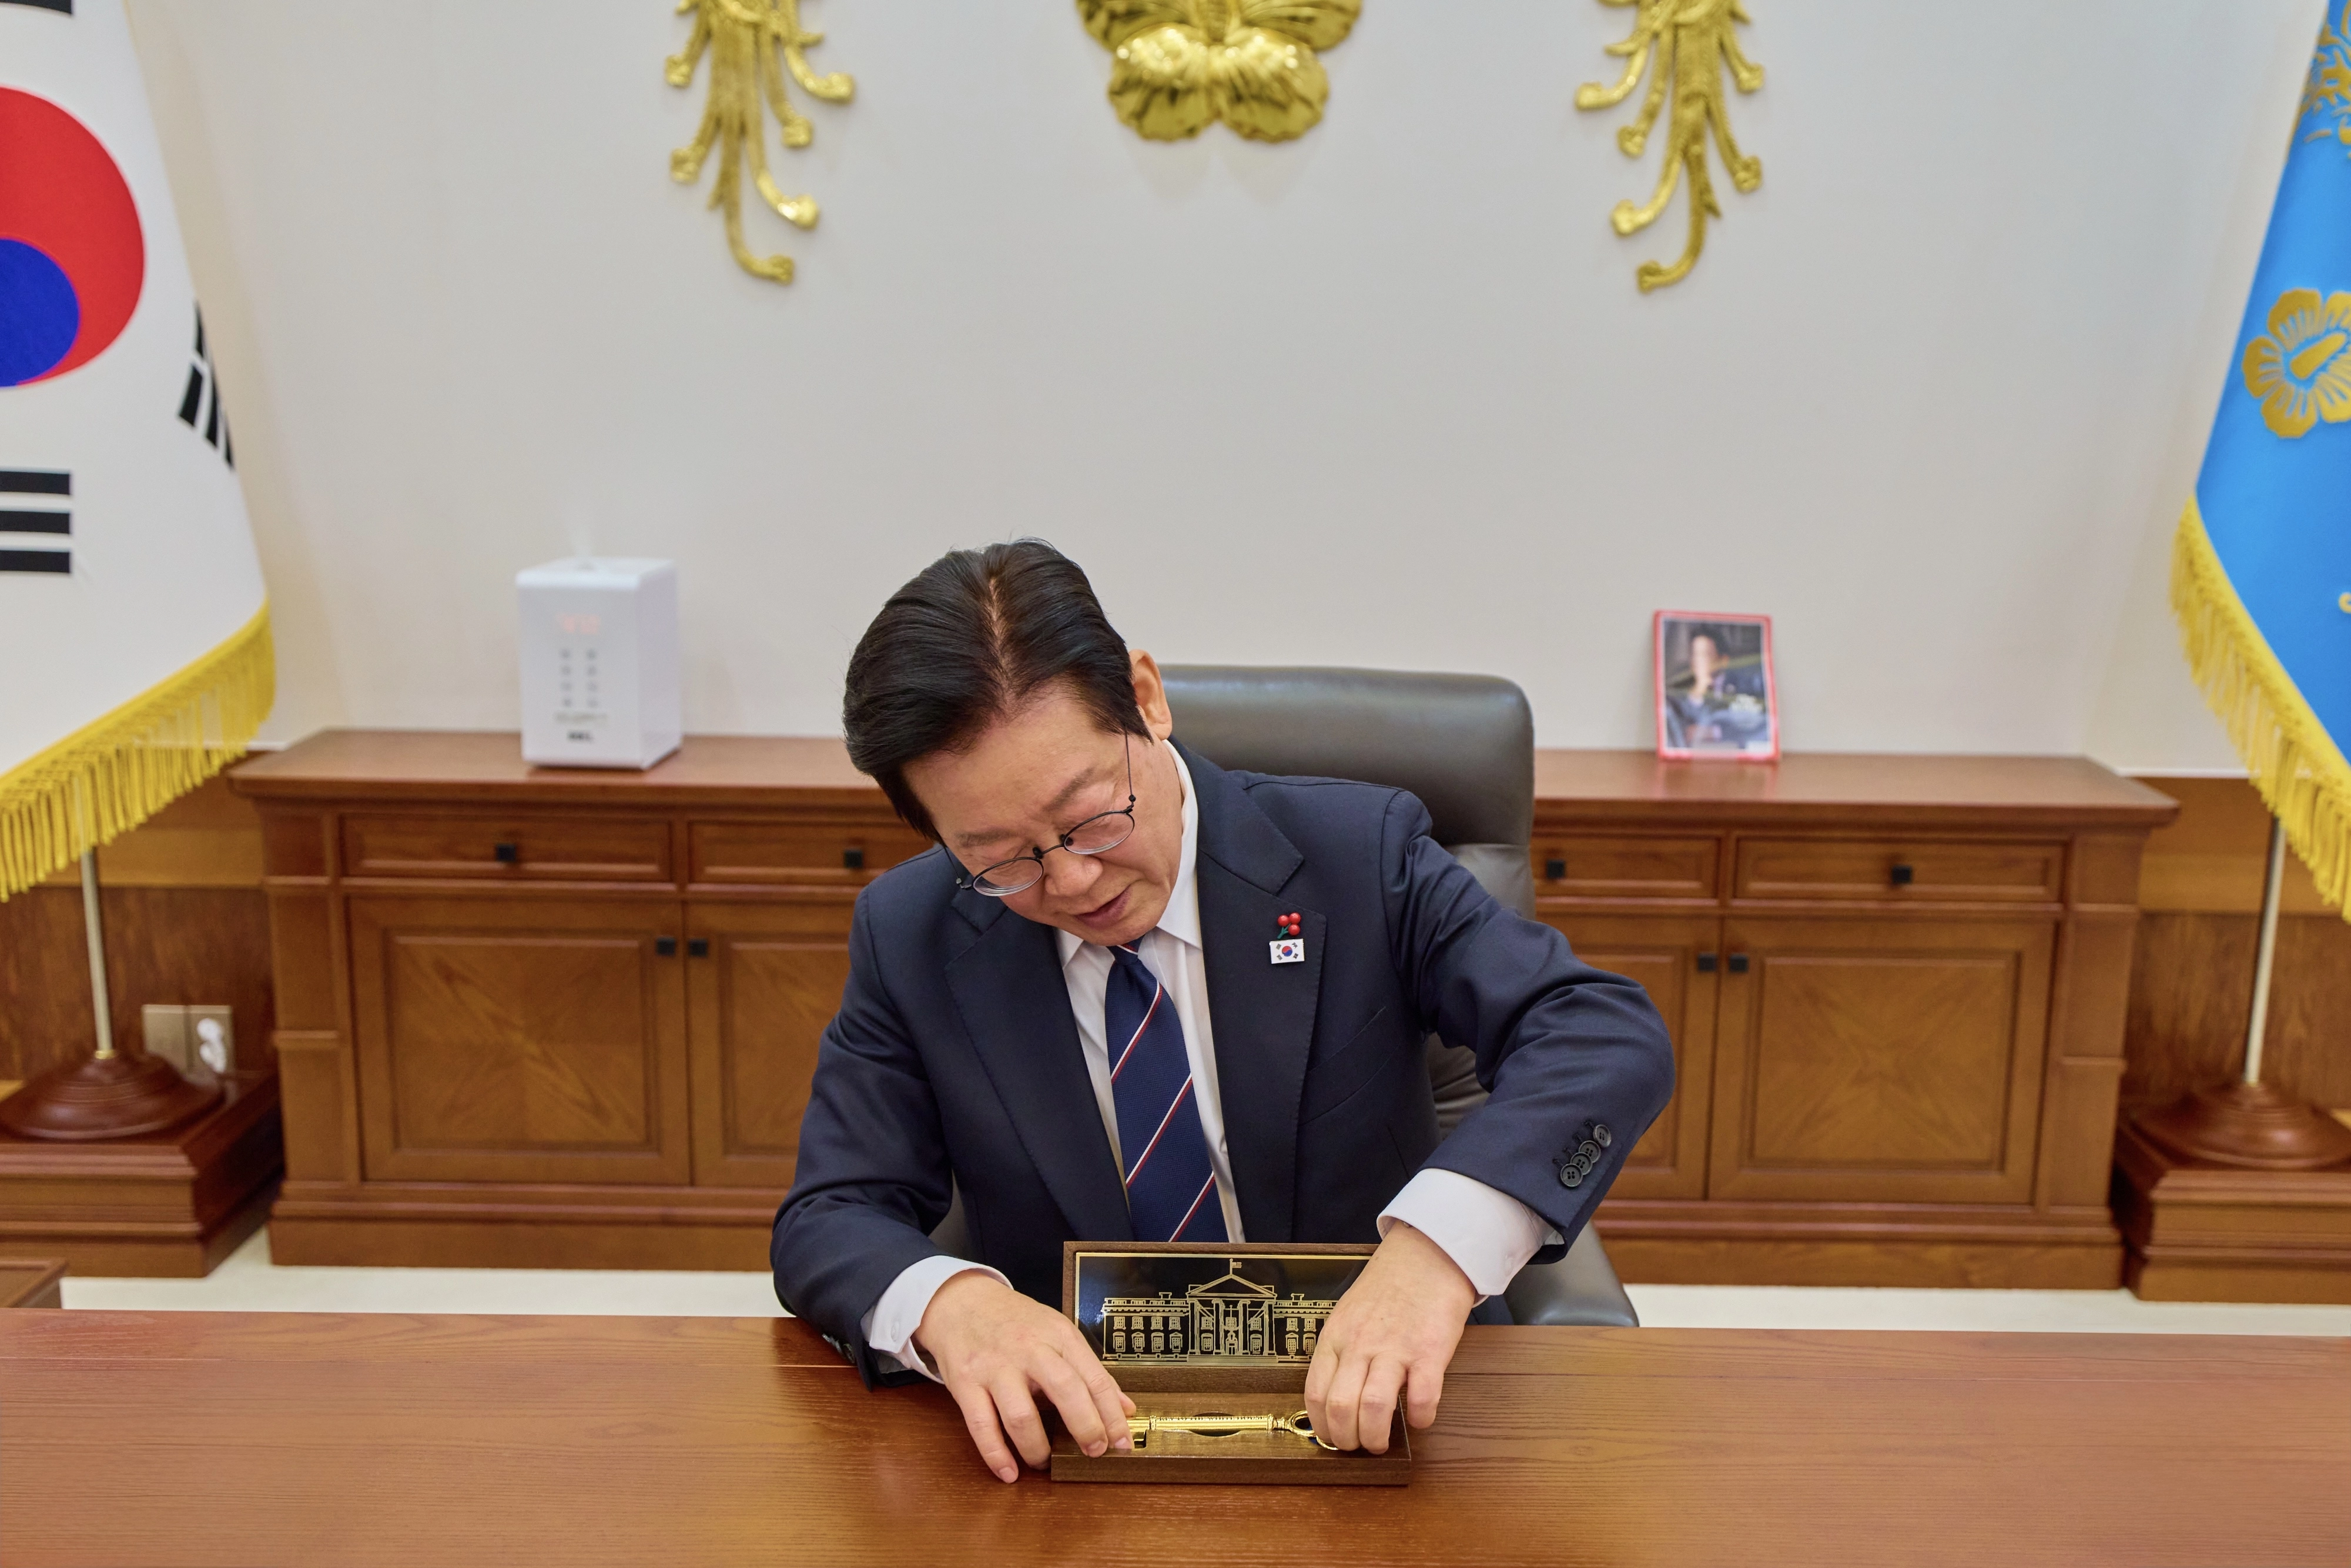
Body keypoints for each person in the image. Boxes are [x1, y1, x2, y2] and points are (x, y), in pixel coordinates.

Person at [772, 541, 1674, 1483]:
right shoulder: (913, 932)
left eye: (1091, 818)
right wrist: (950, 1305)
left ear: (1148, 699)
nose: (1072, 879)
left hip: (1389, 1405)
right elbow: (832, 1212)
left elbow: (1598, 1031)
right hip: (1088, 1426)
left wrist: (1435, 1253)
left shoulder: (1356, 857)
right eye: (1000, 858)